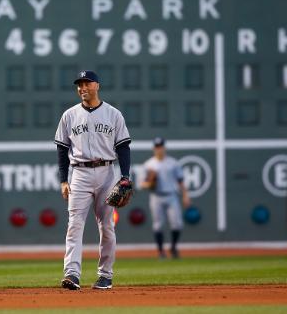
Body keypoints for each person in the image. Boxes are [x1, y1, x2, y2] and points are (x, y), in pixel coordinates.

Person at [54, 70, 132, 290]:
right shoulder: (69, 115)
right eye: (79, 84)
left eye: (87, 83)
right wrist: (63, 179)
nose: (83, 88)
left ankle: (105, 275)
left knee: (106, 226)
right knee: (74, 225)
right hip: (79, 173)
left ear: (97, 85)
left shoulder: (113, 114)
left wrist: (125, 176)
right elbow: (62, 149)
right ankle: (71, 274)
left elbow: (123, 147)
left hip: (107, 172)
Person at [141, 137, 191, 259]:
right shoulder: (149, 164)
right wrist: (150, 184)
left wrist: (185, 195)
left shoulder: (173, 163)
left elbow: (180, 181)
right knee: (158, 225)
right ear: (154, 148)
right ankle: (160, 251)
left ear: (164, 147)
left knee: (177, 224)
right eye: (157, 147)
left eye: (161, 146)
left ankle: (173, 247)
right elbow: (142, 184)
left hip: (171, 195)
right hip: (156, 196)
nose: (159, 149)